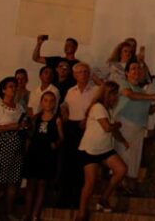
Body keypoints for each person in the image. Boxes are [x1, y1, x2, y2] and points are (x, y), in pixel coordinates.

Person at [78, 81, 129, 219]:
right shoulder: (98, 107)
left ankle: (104, 198)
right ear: (106, 94)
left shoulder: (109, 110)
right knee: (90, 182)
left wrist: (123, 140)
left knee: (121, 170)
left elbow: (111, 130)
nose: (115, 97)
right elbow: (107, 127)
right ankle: (81, 213)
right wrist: (117, 125)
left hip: (104, 149)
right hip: (90, 149)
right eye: (113, 94)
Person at [114, 60, 155, 193]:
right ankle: (120, 184)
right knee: (123, 155)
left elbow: (148, 110)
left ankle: (129, 185)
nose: (137, 72)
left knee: (134, 159)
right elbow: (130, 96)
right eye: (133, 69)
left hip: (138, 127)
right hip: (125, 125)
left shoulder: (142, 91)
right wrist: (153, 96)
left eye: (139, 69)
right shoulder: (124, 84)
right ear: (127, 72)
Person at [0, 76, 29, 221]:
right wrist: (9, 127)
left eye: (15, 87)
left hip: (17, 145)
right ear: (4, 90)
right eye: (11, 86)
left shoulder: (20, 107)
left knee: (13, 181)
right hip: (2, 145)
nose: (14, 89)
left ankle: (8, 211)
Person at [58, 62, 96, 208]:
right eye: (79, 72)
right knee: (68, 163)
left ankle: (77, 200)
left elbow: (97, 106)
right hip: (72, 128)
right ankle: (64, 198)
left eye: (86, 71)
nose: (83, 74)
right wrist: (64, 111)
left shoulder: (95, 89)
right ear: (74, 75)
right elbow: (64, 105)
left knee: (83, 165)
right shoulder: (70, 91)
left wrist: (87, 119)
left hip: (87, 128)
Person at [24, 90, 63, 221]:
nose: (48, 103)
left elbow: (61, 137)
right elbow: (29, 136)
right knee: (30, 184)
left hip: (47, 154)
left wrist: (56, 144)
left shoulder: (57, 119)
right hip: (34, 153)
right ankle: (27, 214)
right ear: (41, 102)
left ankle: (35, 214)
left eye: (51, 101)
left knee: (42, 185)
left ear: (55, 103)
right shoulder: (35, 118)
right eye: (45, 100)